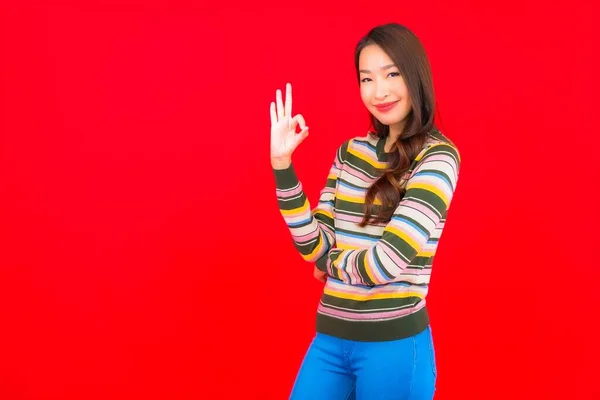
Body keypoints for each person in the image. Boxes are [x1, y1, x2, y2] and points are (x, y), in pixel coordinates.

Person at [270, 22, 461, 400]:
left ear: (415, 76)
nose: (380, 91)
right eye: (366, 78)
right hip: (331, 338)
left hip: (394, 345)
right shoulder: (350, 153)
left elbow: (386, 263)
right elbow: (315, 247)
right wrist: (282, 165)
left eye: (392, 74)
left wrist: (332, 263)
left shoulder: (438, 158)